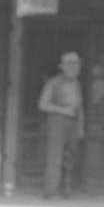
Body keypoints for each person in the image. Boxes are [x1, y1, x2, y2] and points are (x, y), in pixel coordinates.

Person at [38, 51, 84, 198]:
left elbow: (80, 107)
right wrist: (63, 110)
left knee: (70, 158)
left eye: (77, 64)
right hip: (57, 122)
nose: (75, 67)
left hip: (73, 123)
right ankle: (50, 192)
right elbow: (42, 105)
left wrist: (81, 126)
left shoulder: (77, 84)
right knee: (54, 158)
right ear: (62, 66)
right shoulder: (53, 83)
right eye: (70, 64)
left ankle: (66, 191)